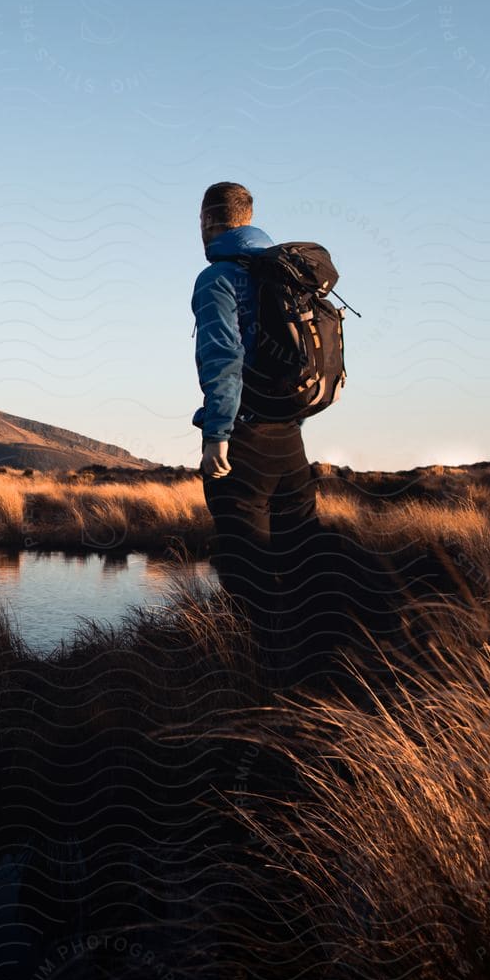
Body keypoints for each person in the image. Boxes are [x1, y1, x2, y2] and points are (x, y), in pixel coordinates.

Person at [191, 182, 321, 682]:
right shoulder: (288, 274)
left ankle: (253, 683)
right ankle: (317, 673)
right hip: (289, 440)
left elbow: (223, 359)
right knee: (300, 562)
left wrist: (217, 435)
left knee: (246, 570)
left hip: (242, 441)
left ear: (207, 221)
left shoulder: (217, 279)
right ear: (249, 218)